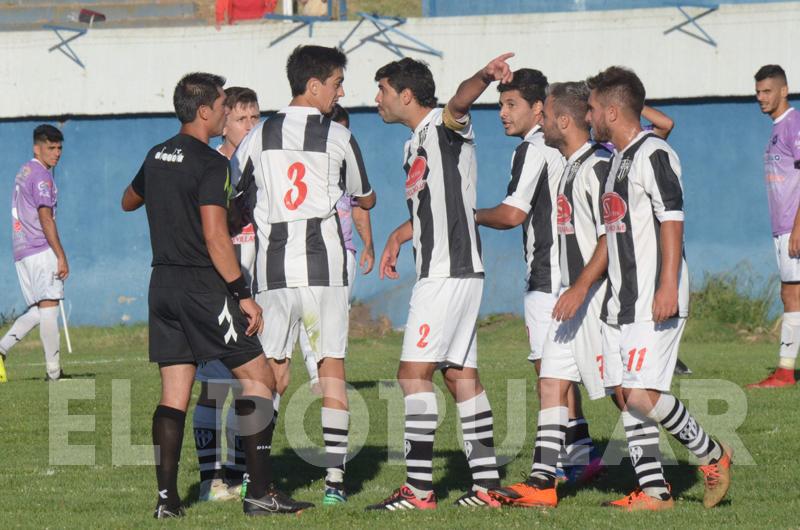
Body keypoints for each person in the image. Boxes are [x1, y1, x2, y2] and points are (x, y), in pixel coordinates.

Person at [121, 72, 312, 518]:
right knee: (260, 378)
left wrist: (166, 199)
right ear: (205, 111)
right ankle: (261, 493)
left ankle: (167, 502)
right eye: (224, 105)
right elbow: (215, 237)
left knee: (174, 394)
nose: (228, 111)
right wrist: (242, 294)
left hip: (161, 287)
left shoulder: (155, 154)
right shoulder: (210, 164)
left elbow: (129, 201)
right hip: (203, 289)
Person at [231, 45, 376, 506]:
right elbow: (364, 197)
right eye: (336, 83)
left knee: (271, 372)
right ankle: (335, 483)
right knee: (331, 366)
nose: (341, 91)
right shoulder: (337, 135)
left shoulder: (258, 134)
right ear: (313, 85)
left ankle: (261, 477)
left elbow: (234, 191)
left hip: (273, 272)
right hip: (325, 270)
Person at [367, 55, 510, 511]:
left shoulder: (442, 128)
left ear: (405, 95)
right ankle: (487, 487)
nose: (378, 100)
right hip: (456, 271)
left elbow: (460, 101)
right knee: (460, 375)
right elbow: (438, 207)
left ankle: (419, 490)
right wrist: (397, 234)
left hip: (446, 273)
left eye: (383, 91)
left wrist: (485, 77)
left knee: (412, 374)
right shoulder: (414, 144)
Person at [586, 66, 732, 511]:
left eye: (592, 107)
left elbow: (672, 218)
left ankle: (711, 454)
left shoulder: (653, 153)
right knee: (627, 396)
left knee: (642, 394)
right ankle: (653, 492)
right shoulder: (616, 160)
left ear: (612, 111)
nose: (587, 114)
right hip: (622, 301)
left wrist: (667, 284)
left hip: (655, 297)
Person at [488, 81, 614, 508]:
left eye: (512, 105)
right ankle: (554, 472)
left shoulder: (541, 151)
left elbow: (513, 214)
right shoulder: (567, 159)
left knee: (623, 388)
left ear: (545, 111)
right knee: (554, 379)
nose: (504, 113)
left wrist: (458, 217)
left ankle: (699, 452)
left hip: (561, 285)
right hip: (562, 284)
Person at [192, 86, 261, 502]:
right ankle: (208, 479)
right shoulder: (213, 165)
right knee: (214, 387)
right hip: (219, 291)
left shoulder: (262, 162)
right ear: (224, 122)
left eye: (255, 118)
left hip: (253, 289)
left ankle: (236, 473)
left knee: (251, 384)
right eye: (241, 119)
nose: (250, 126)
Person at [292, 104, 376, 397]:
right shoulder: (307, 165)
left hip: (346, 250)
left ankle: (333, 373)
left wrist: (368, 245)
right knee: (309, 313)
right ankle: (317, 376)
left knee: (338, 312)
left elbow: (361, 206)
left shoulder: (349, 166)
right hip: (312, 249)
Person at [0, 124, 68, 383]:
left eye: (60, 147)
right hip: (40, 248)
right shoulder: (41, 176)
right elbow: (45, 217)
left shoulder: (24, 170)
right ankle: (54, 373)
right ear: (36, 147)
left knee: (41, 309)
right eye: (51, 148)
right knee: (49, 307)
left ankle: (1, 349)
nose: (57, 153)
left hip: (22, 251)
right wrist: (60, 254)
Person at [748, 64, 800, 388]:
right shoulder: (777, 129)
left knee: (792, 295)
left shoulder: (794, 124)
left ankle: (784, 372)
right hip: (782, 228)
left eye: (767, 91)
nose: (761, 98)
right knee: (790, 293)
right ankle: (784, 369)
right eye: (757, 92)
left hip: (793, 227)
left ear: (783, 90)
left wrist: (798, 226)